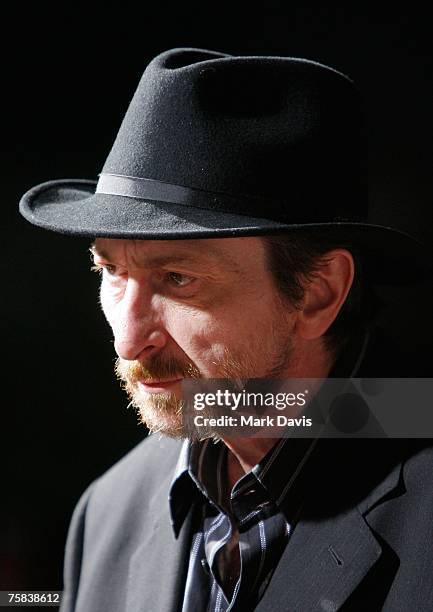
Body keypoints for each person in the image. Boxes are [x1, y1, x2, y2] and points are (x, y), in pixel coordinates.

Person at [20, 48, 433, 611]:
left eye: (178, 277)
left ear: (318, 293)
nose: (127, 339)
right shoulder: (108, 513)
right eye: (110, 271)